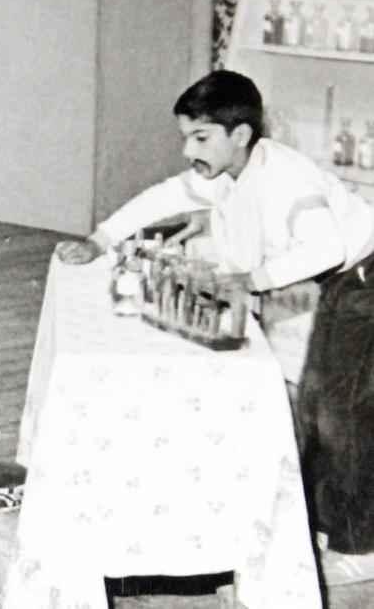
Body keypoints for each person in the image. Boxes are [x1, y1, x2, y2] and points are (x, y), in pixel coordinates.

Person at [56, 69, 374, 585]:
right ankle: (326, 526)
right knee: (318, 403)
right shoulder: (233, 170)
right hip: (348, 282)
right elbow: (164, 196)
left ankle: (360, 547)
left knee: (342, 411)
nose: (188, 151)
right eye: (185, 137)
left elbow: (327, 248)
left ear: (240, 134)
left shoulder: (286, 177)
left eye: (200, 138)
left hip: (365, 276)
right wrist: (100, 240)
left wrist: (251, 281)